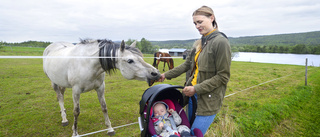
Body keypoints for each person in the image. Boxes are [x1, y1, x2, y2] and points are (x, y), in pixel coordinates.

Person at [157, 5, 231, 135]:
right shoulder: (200, 42)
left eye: (200, 22)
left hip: (208, 100)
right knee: (186, 129)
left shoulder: (221, 42)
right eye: (195, 23)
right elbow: (186, 65)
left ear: (212, 18)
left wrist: (196, 89)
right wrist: (165, 75)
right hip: (192, 96)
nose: (197, 26)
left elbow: (223, 77)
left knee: (194, 133)